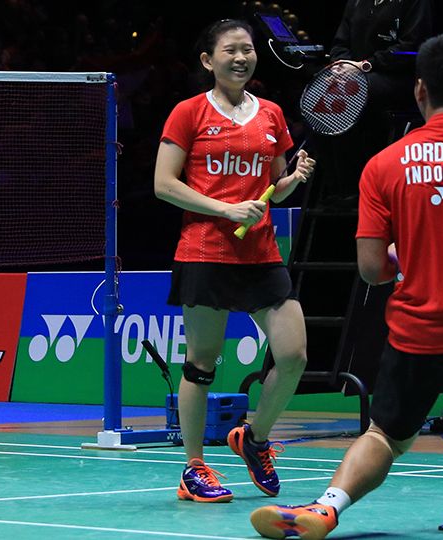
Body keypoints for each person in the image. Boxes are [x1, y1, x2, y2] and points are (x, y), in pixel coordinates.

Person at [250, 33, 443, 540]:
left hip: (420, 332)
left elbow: (372, 269)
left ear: (419, 90)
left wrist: (411, 254)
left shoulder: (383, 166)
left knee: (386, 434)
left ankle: (326, 508)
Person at [154, 18, 316, 503]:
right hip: (205, 250)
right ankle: (193, 467)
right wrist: (225, 208)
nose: (241, 57)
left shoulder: (271, 114)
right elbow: (164, 185)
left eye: (247, 49)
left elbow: (273, 189)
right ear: (209, 60)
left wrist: (293, 180)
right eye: (230, 50)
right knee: (202, 364)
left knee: (294, 355)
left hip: (261, 252)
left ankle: (254, 438)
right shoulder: (188, 113)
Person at [318, 0, 433, 204]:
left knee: (351, 95)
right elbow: (339, 44)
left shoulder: (415, 3)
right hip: (354, 78)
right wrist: (344, 66)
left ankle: (355, 187)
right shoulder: (356, 2)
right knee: (316, 98)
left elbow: (411, 47)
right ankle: (336, 185)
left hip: (397, 77)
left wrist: (365, 65)